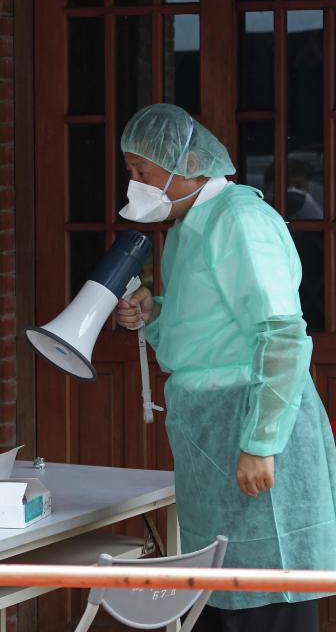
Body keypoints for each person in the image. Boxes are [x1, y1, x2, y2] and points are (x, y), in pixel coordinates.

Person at [113, 103, 336, 632]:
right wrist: (153, 311)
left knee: (270, 597)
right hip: (213, 443)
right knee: (220, 596)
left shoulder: (240, 219)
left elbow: (279, 332)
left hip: (256, 434)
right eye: (131, 174)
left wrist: (261, 442)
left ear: (187, 163)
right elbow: (207, 330)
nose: (135, 186)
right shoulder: (190, 227)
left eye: (141, 172)